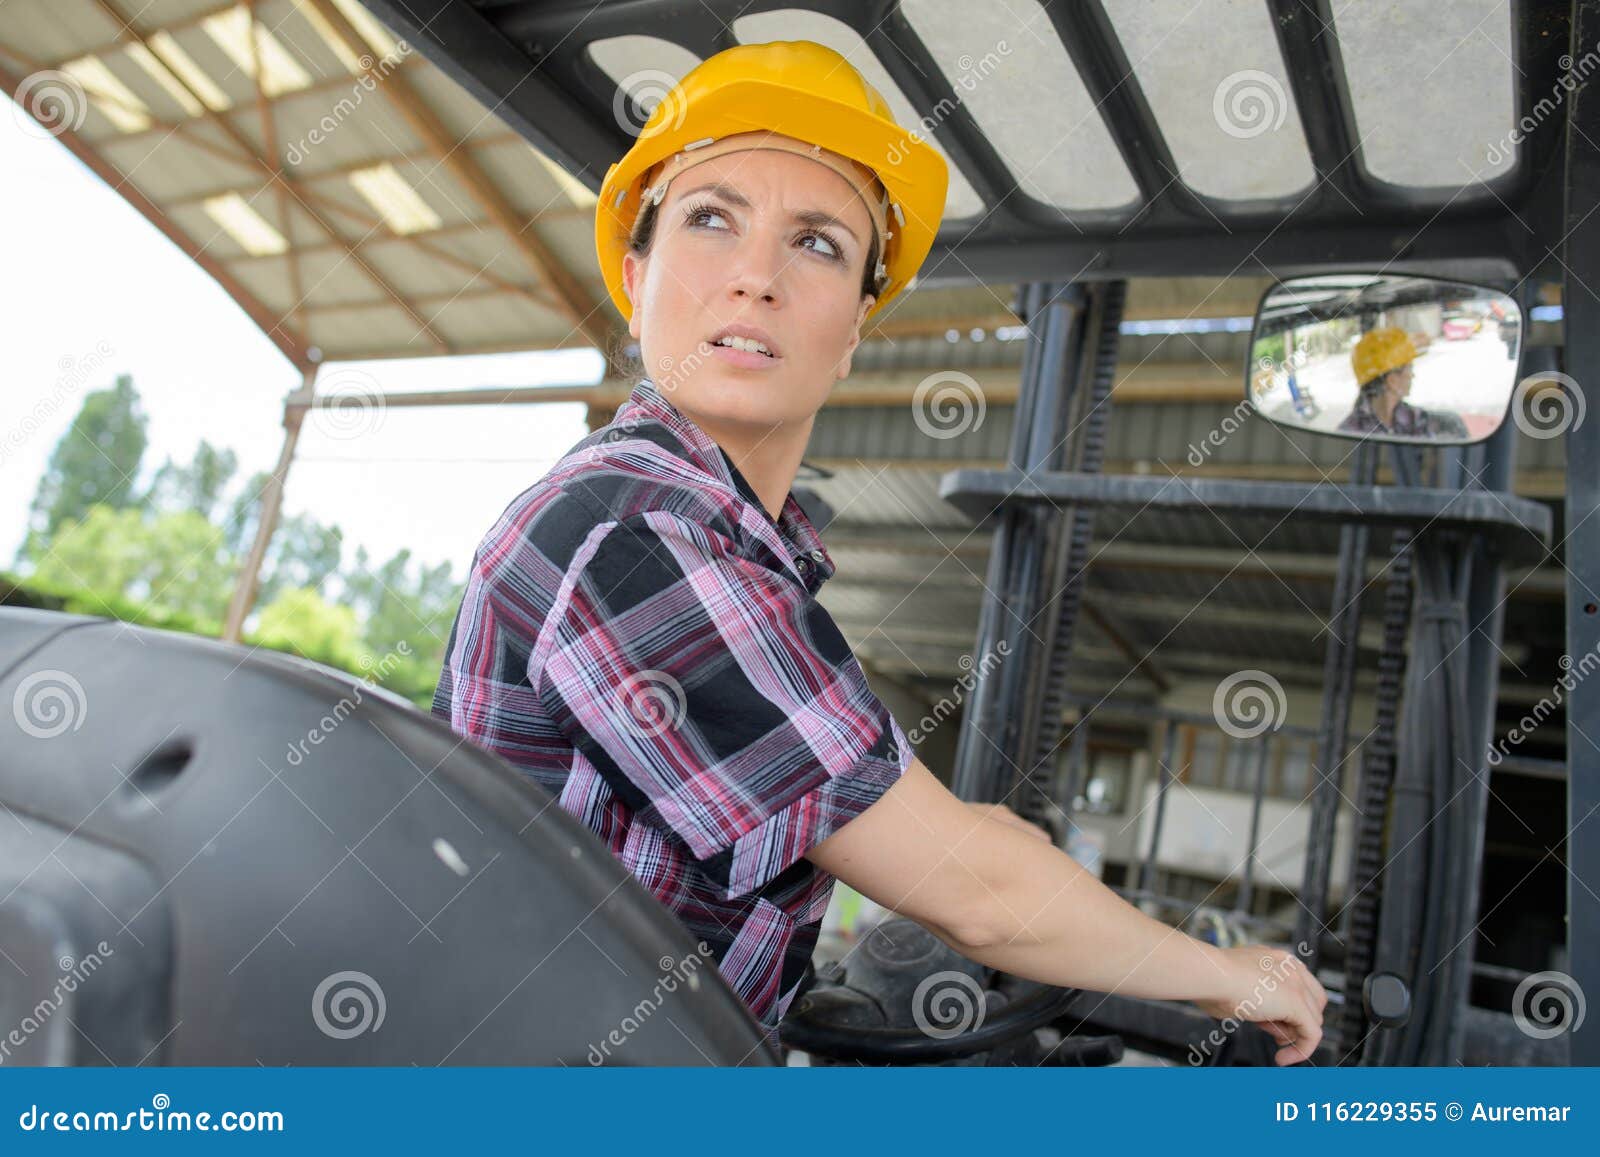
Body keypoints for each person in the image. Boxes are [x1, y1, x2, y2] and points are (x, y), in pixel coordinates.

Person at [432, 39, 1327, 1064]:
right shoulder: (636, 537)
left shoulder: (735, 541)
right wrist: (1229, 972)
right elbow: (978, 899)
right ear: (637, 276)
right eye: (710, 218)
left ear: (856, 323)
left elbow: (876, 812)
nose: (755, 277)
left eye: (814, 242)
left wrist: (975, 837)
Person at [1338, 327, 1469, 438]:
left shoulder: (1347, 430)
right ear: (1392, 380)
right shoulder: (1351, 432)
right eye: (1409, 368)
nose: (1413, 375)